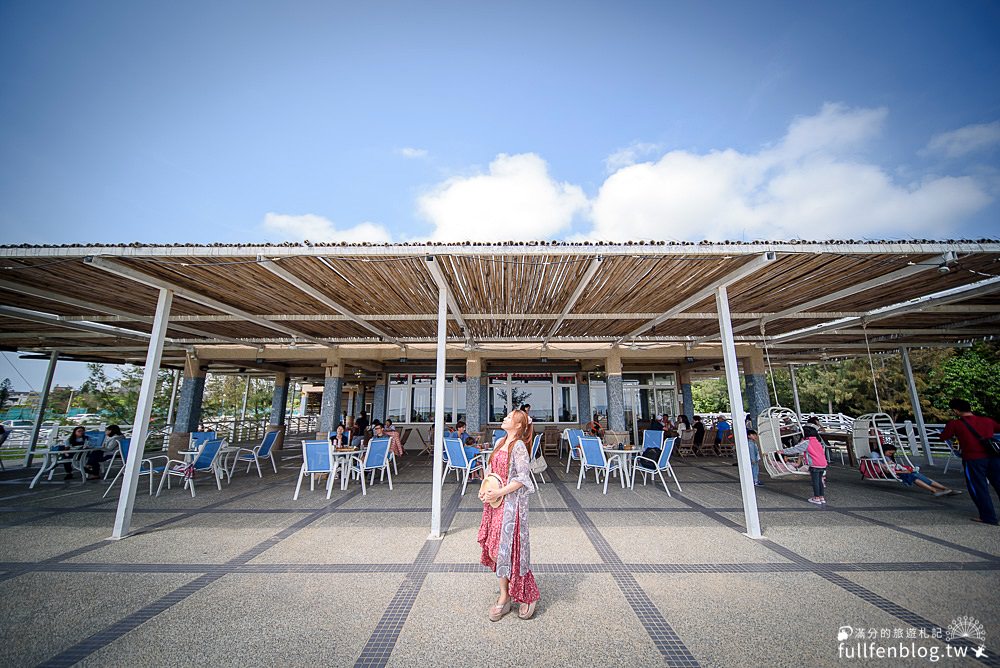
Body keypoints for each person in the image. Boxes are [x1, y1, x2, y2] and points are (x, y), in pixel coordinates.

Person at [477, 409, 540, 621]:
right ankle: (505, 595)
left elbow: (522, 478)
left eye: (509, 417)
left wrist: (499, 492)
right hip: (494, 504)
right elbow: (490, 470)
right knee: (495, 551)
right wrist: (485, 488)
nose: (504, 418)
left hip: (511, 507)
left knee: (511, 551)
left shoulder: (519, 446)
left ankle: (526, 594)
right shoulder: (499, 442)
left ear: (519, 425)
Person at [941, 398, 1000, 525]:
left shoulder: (955, 424)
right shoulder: (987, 420)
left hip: (973, 459)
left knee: (978, 487)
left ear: (956, 410)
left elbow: (944, 436)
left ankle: (988, 516)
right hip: (994, 457)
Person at [870, 446, 959, 497]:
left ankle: (943, 489)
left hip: (898, 471)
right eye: (890, 453)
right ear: (884, 450)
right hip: (893, 473)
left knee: (916, 474)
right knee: (913, 476)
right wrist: (903, 471)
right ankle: (935, 490)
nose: (891, 455)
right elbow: (888, 471)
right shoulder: (878, 458)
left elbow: (893, 466)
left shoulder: (886, 457)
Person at [777, 433, 828, 504]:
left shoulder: (807, 442)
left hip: (814, 464)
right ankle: (821, 497)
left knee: (815, 482)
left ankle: (816, 498)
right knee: (820, 481)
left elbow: (795, 449)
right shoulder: (818, 442)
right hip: (823, 464)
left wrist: (783, 451)